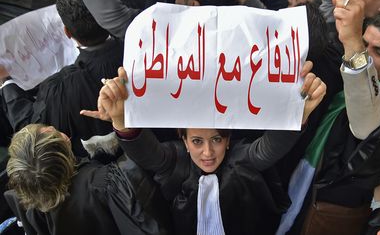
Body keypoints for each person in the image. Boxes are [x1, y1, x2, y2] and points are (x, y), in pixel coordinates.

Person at [80, 61, 326, 234]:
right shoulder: (174, 163)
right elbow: (147, 152)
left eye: (217, 140)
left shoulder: (242, 159)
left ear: (228, 140)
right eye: (197, 141)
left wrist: (299, 113)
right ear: (184, 141)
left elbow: (267, 149)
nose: (208, 153)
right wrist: (121, 119)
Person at [291, 0, 380, 234]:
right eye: (365, 45)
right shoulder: (345, 53)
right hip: (302, 172)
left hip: (327, 202)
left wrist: (354, 46)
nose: (368, 57)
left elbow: (368, 125)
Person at [0, 0, 124, 156]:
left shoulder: (58, 89)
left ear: (66, 32)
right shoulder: (140, 46)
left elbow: (31, 132)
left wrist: (5, 81)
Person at [3, 124, 172, 235]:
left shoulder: (29, 204)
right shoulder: (108, 183)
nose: (52, 127)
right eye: (48, 130)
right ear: (64, 141)